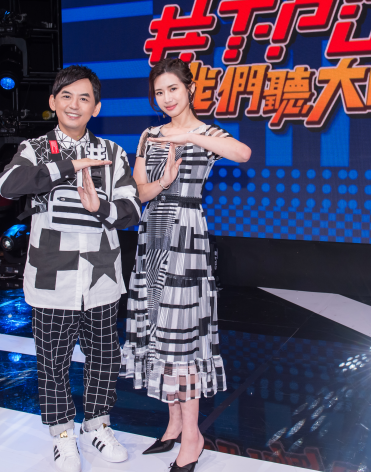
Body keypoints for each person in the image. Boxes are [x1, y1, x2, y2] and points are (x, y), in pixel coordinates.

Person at [0, 65, 140, 472]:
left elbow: (132, 208)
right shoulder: (35, 149)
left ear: (97, 107)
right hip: (51, 276)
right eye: (66, 96)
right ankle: (62, 435)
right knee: (53, 361)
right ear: (52, 102)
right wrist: (67, 166)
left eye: (84, 98)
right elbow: (7, 186)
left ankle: (98, 425)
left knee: (104, 356)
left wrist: (101, 207)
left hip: (101, 275)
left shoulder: (112, 153)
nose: (74, 105)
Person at [121, 58, 252, 472]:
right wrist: (162, 179)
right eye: (159, 92)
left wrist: (190, 136)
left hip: (187, 234)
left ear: (190, 89)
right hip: (151, 234)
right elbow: (139, 191)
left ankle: (193, 436)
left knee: (181, 338)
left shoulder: (206, 133)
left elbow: (243, 153)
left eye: (173, 89)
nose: (166, 98)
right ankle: (174, 423)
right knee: (157, 330)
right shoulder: (150, 135)